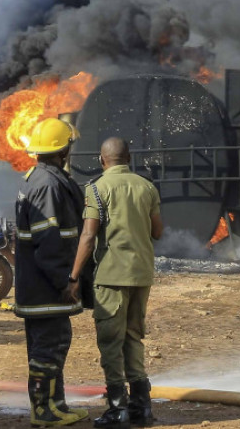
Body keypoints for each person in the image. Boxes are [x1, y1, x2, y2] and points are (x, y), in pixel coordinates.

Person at [68, 137, 163, 428]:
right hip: (142, 274)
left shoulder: (96, 189)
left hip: (111, 276)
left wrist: (73, 276)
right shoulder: (147, 187)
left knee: (111, 342)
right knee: (134, 336)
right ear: (129, 158)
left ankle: (117, 408)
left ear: (102, 160)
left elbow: (88, 236)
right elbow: (157, 232)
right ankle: (142, 407)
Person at [14, 118, 89, 427]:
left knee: (53, 345)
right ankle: (44, 411)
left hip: (39, 287)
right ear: (63, 151)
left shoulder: (42, 179)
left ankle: (54, 405)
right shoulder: (47, 185)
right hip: (46, 288)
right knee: (49, 348)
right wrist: (67, 280)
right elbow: (49, 242)